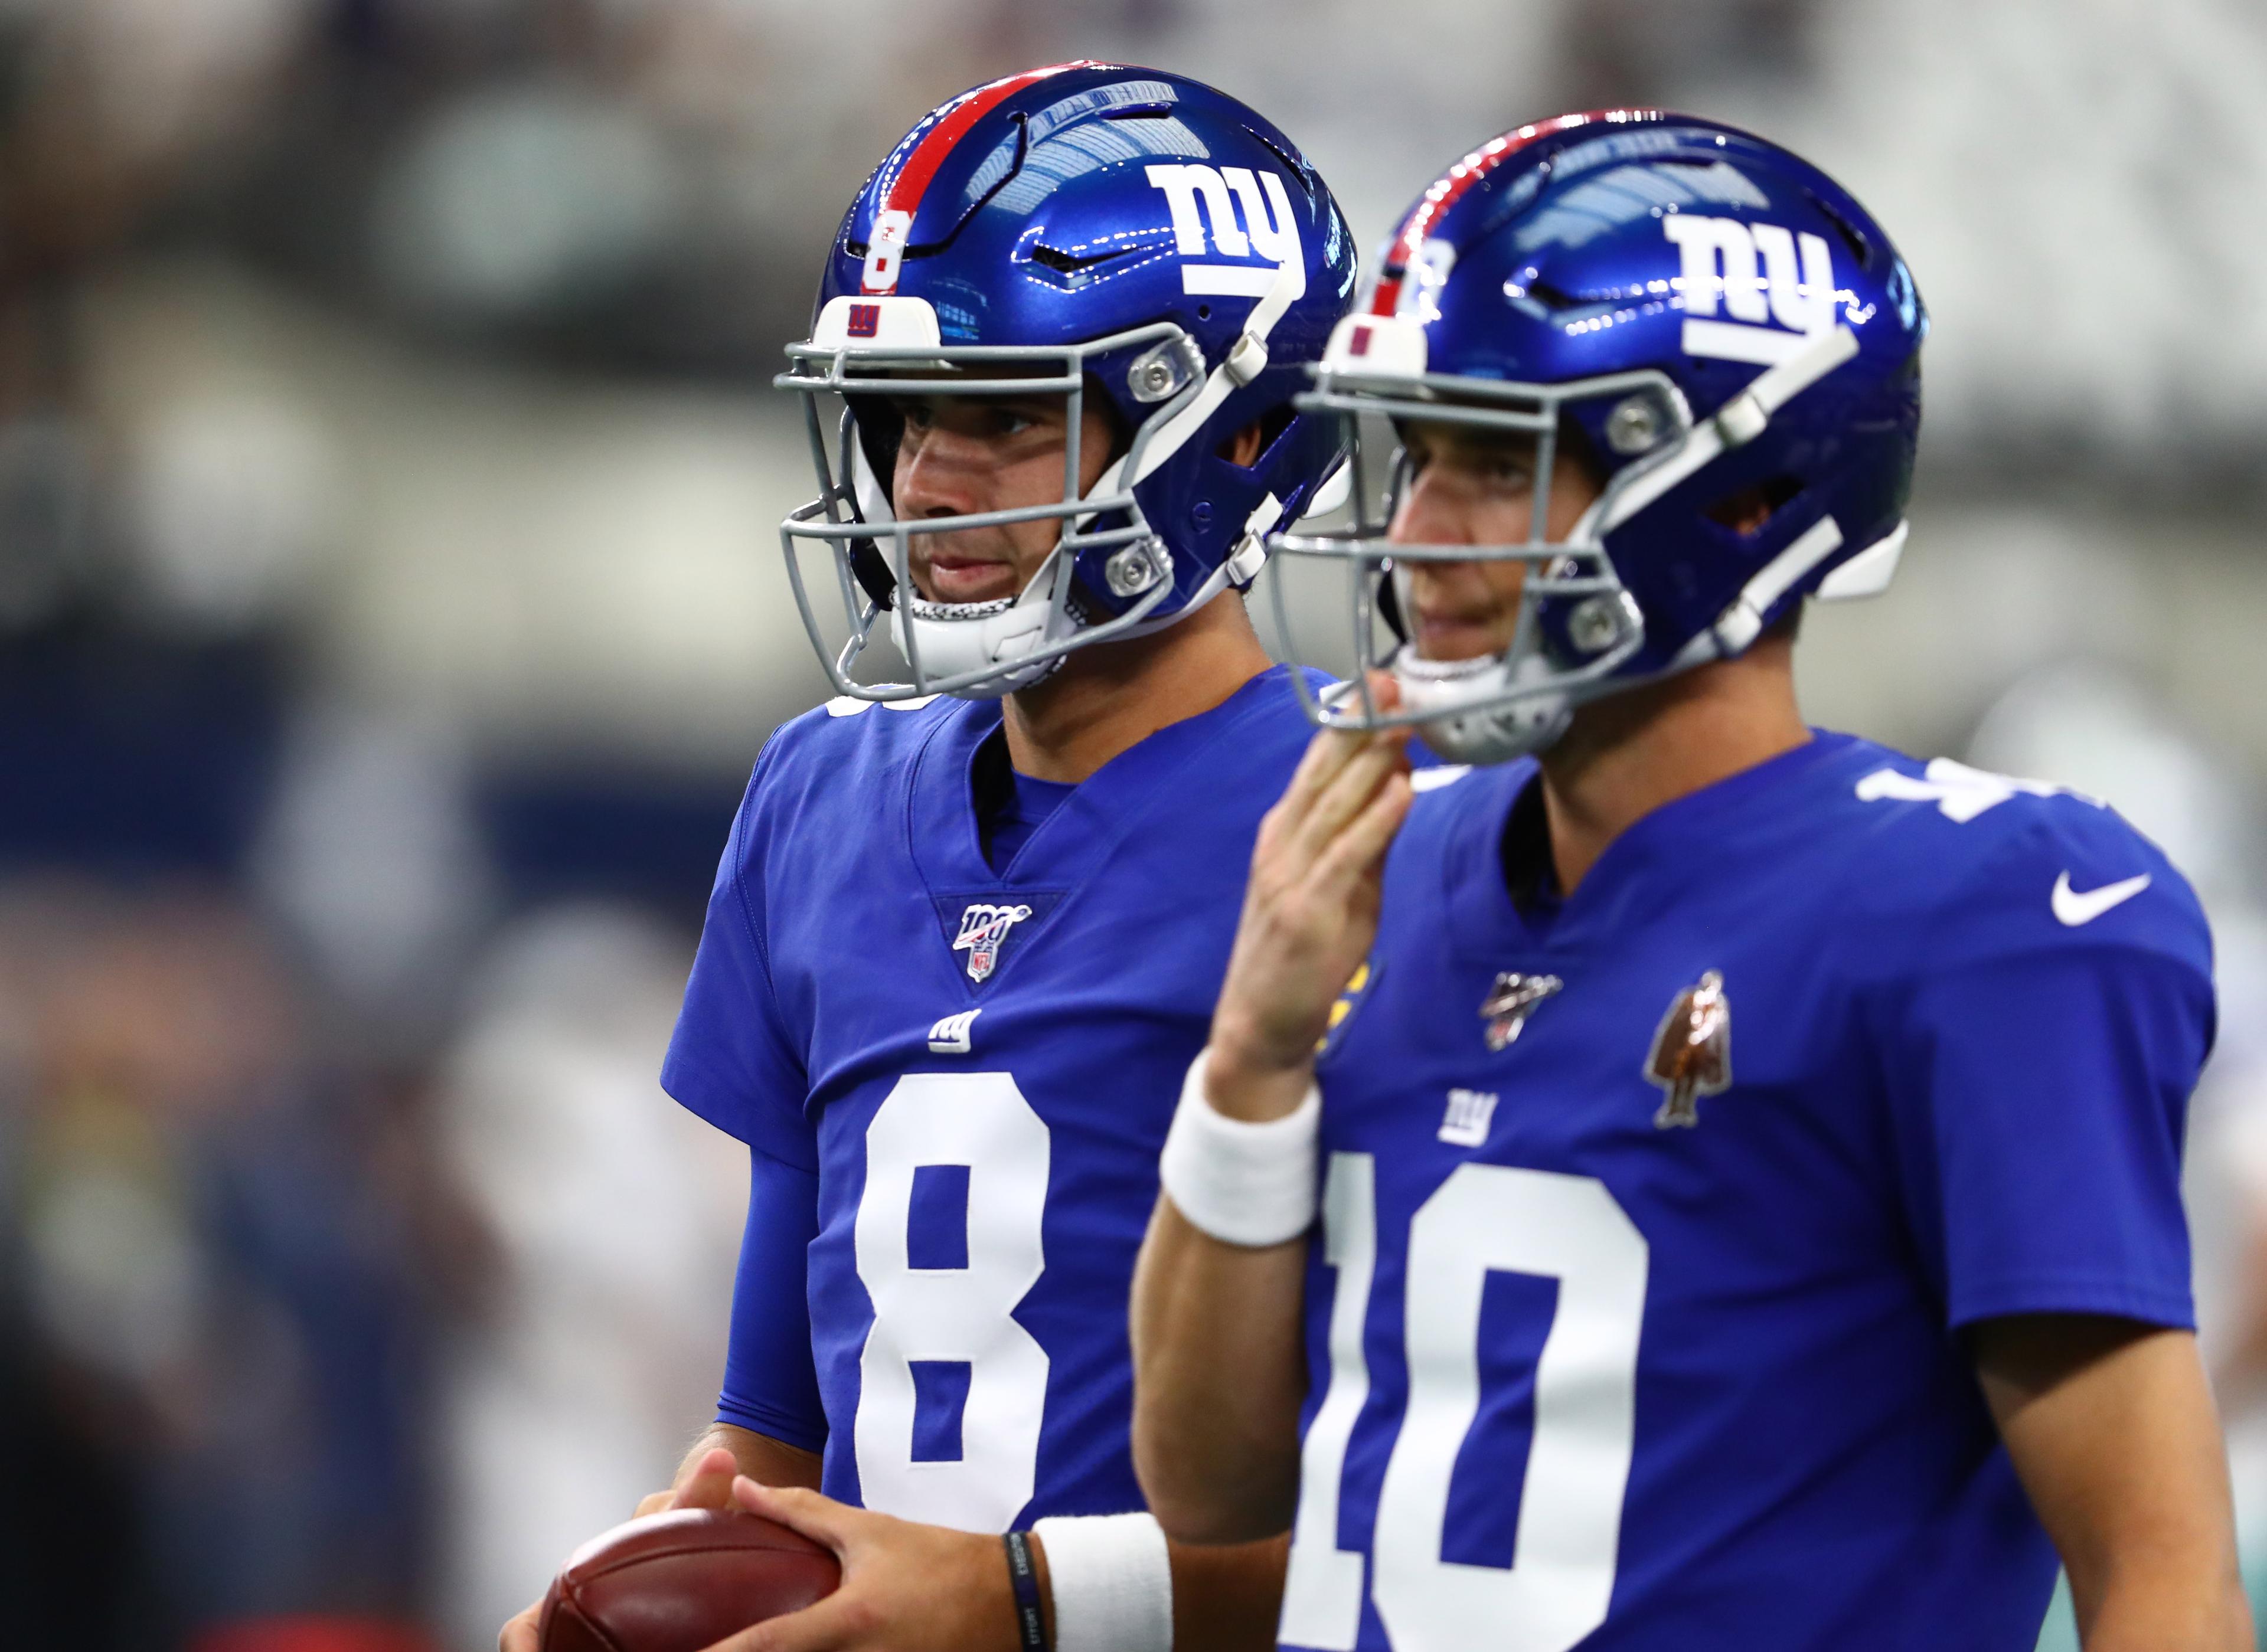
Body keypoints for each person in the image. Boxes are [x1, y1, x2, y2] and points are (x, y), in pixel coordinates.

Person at [1129, 110, 2252, 1650]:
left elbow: (2159, 1582)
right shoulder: (1395, 852)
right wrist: (1250, 1061)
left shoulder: (1974, 918)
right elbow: (1210, 1484)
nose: (1416, 535)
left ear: (1739, 496)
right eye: (1419, 455)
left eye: (1498, 463)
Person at [500, 61, 1360, 1652]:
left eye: (1003, 416)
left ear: (1222, 426)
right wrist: (634, 1593)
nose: (923, 481)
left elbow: (1438, 1533)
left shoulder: (1381, 818)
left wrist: (1019, 1605)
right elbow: (771, 1442)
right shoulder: (818, 795)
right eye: (904, 416)